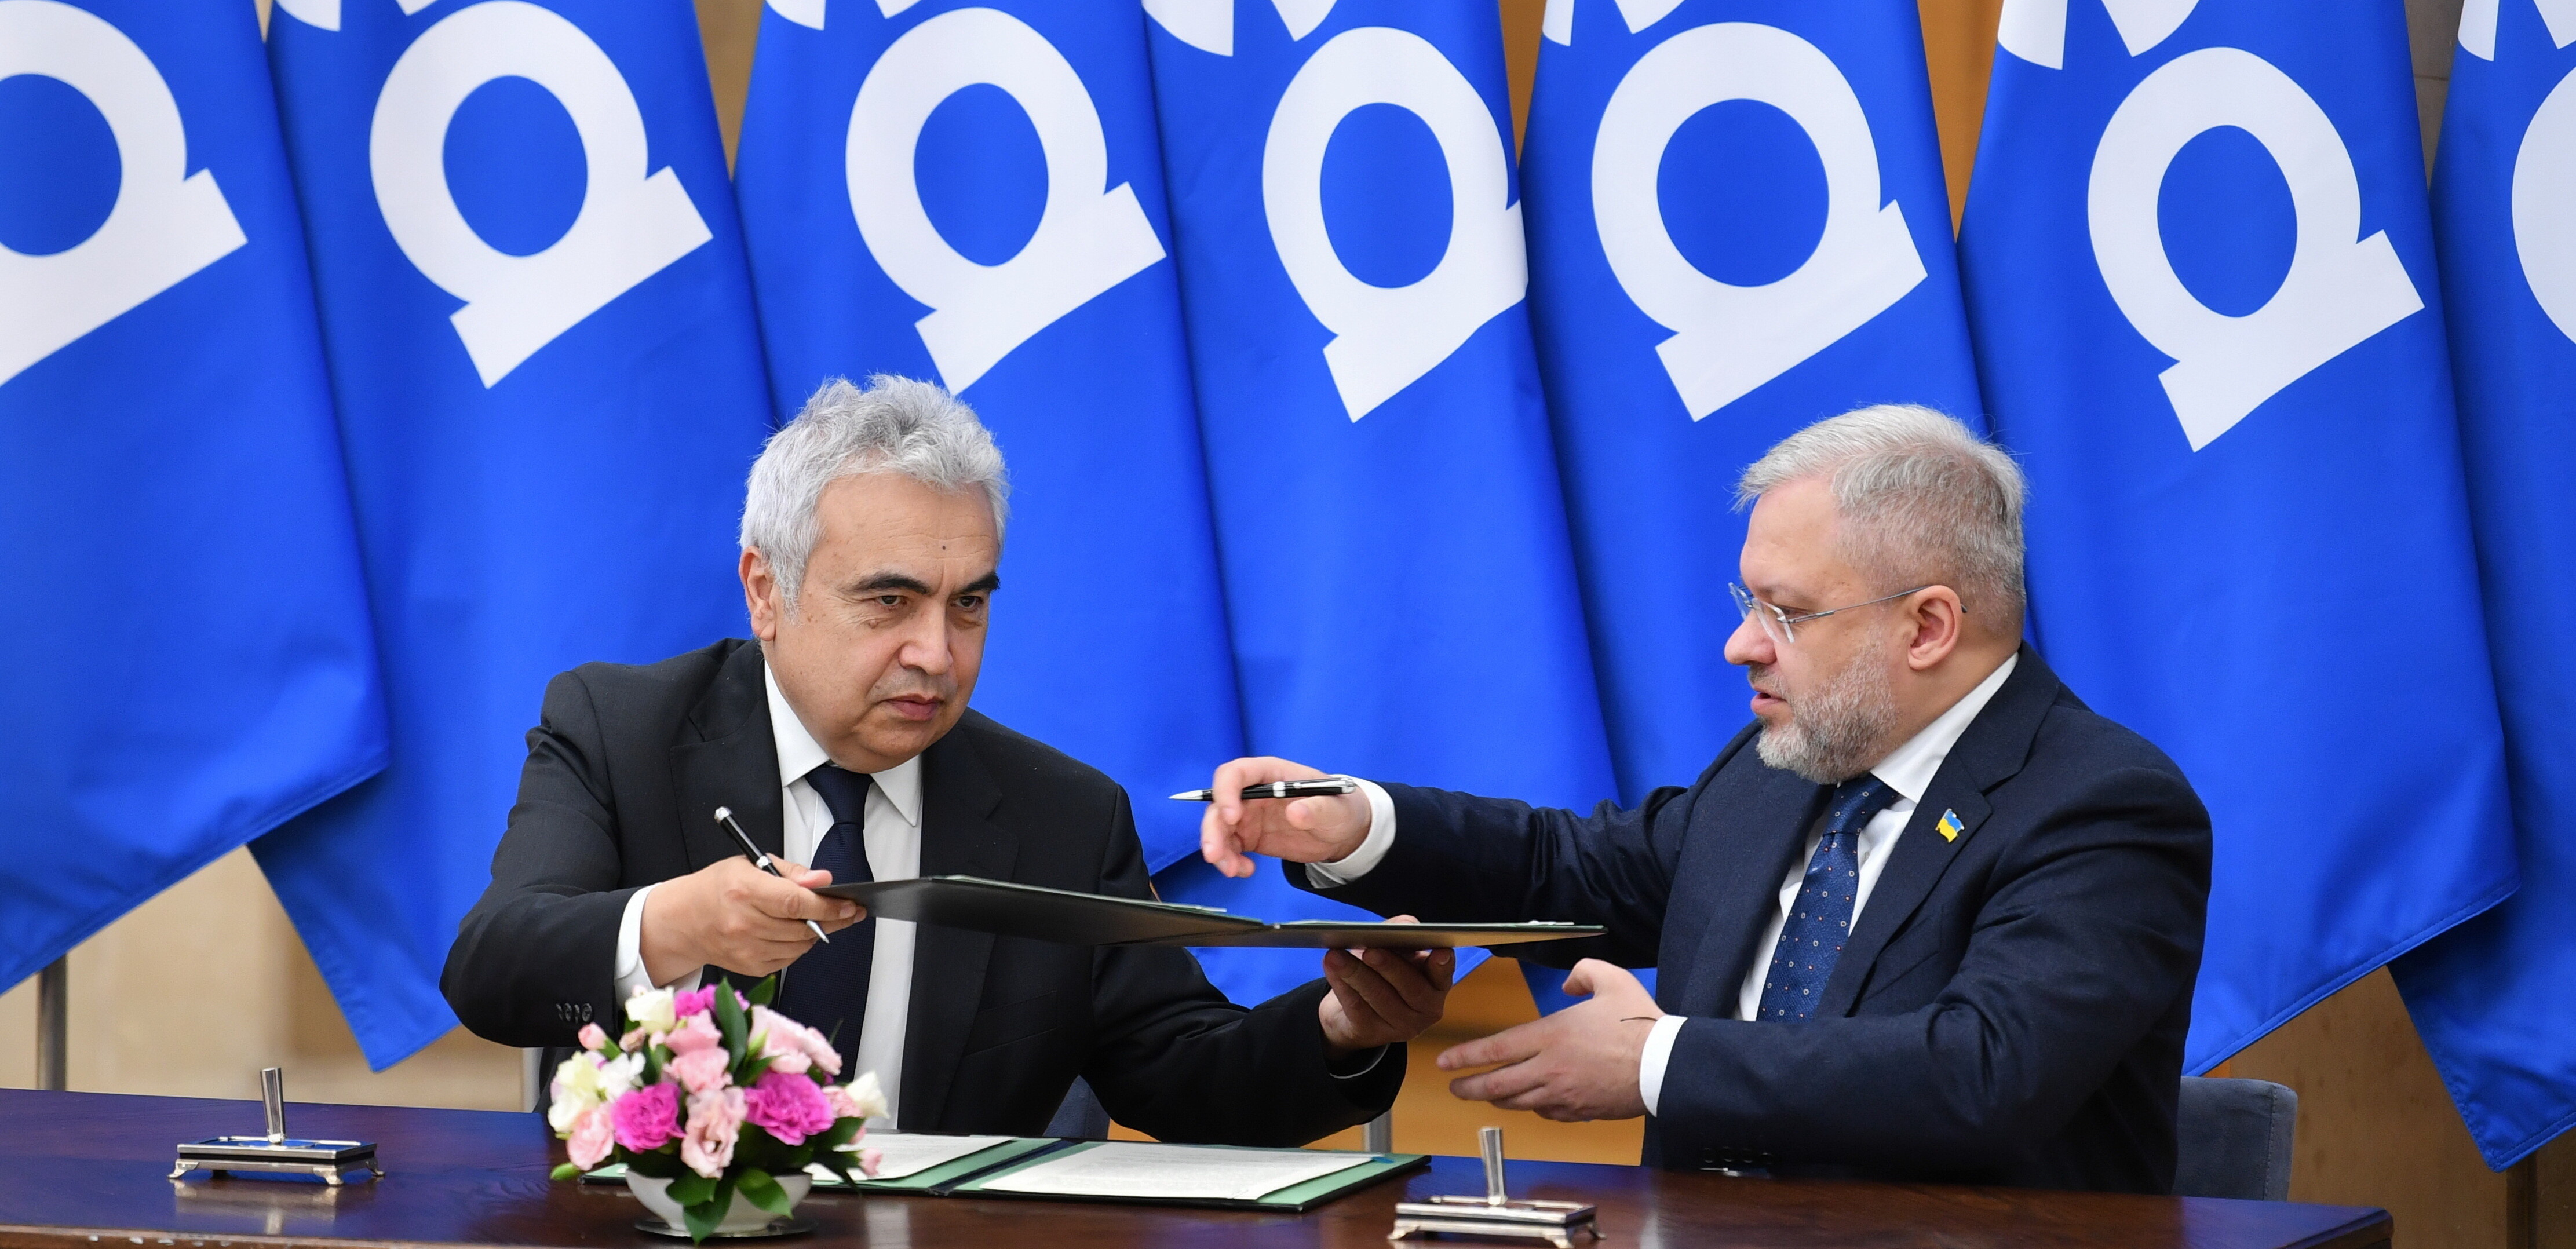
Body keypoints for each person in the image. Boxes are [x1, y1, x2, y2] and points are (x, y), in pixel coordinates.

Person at [1198, 405, 2211, 1191]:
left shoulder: (2102, 806)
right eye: (1747, 603)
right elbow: (1573, 868)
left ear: (1929, 625)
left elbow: (1985, 1070)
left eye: (1787, 612)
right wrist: (1359, 826)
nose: (1742, 644)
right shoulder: (1782, 766)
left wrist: (1654, 1063)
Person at [444, 375, 1452, 1144]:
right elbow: (494, 972)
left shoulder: (1060, 815)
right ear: (766, 592)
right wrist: (674, 923)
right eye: (888, 600)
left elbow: (1182, 1071)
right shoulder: (622, 730)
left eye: (968, 601)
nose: (937, 650)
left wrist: (1341, 1026)